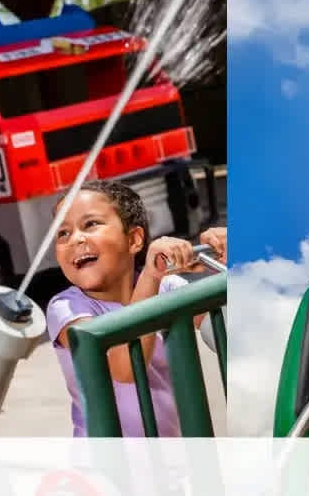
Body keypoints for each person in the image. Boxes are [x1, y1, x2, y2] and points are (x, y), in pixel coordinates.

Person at [44, 179, 226, 437]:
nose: (76, 239)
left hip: (173, 463)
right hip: (106, 471)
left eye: (90, 224)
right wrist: (151, 276)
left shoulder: (168, 288)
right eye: (63, 233)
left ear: (134, 239)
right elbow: (125, 368)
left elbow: (227, 337)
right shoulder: (67, 308)